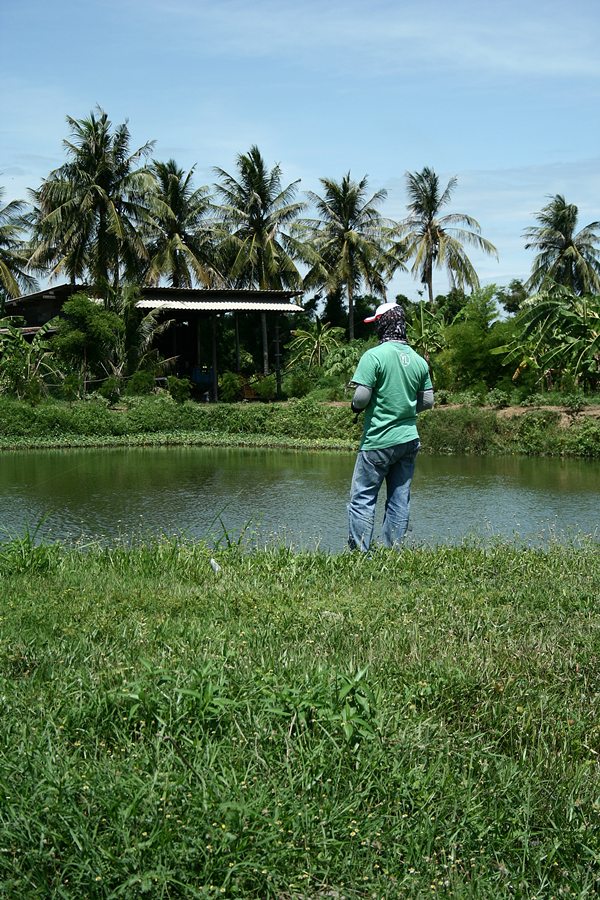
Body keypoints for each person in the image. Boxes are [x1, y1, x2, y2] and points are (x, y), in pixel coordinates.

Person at [347, 301, 434, 551]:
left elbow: (362, 398)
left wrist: (355, 407)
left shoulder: (373, 356)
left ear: (383, 324)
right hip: (408, 440)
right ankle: (393, 552)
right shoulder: (418, 360)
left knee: (362, 497)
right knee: (399, 498)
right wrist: (404, 408)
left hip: (378, 441)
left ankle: (360, 554)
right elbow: (427, 401)